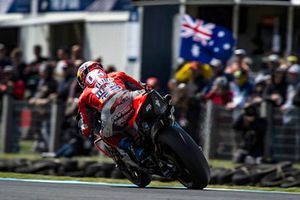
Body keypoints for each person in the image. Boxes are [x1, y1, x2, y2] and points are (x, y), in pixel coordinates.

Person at [76, 61, 147, 161]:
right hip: (129, 99)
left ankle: (134, 148)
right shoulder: (116, 74)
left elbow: (87, 127)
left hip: (111, 112)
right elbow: (141, 87)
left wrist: (85, 130)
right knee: (146, 94)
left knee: (105, 136)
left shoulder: (84, 96)